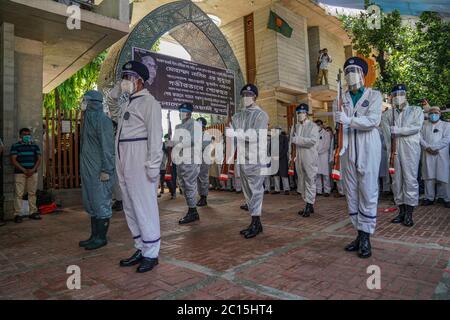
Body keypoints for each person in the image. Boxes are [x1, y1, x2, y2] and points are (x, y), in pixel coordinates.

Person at [107, 60, 163, 273]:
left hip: (140, 159)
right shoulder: (127, 103)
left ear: (140, 81)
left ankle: (151, 252)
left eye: (129, 78)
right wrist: (114, 93)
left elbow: (156, 137)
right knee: (130, 206)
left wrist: (153, 165)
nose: (125, 82)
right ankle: (140, 247)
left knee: (144, 205)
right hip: (123, 159)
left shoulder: (150, 103)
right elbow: (112, 110)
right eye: (124, 78)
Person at [334, 57, 382, 259]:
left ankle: (366, 238)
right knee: (351, 192)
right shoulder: (341, 97)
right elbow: (340, 126)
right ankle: (358, 233)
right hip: (348, 149)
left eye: (354, 70)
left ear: (363, 74)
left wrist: (349, 120)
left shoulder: (374, 95)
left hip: (367, 145)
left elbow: (373, 120)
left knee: (368, 191)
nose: (350, 74)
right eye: (347, 71)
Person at [227, 84, 269, 239]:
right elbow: (234, 131)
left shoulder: (261, 115)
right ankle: (255, 222)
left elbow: (256, 135)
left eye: (249, 94)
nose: (246, 97)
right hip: (243, 159)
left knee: (256, 192)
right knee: (248, 192)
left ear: (255, 96)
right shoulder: (240, 115)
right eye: (243, 94)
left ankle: (256, 223)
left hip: (256, 159)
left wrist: (236, 133)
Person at [78, 90, 115, 250]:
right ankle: (94, 236)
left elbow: (108, 147)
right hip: (89, 171)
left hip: (100, 171)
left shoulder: (103, 120)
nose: (82, 103)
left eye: (84, 100)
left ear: (93, 102)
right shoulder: (87, 119)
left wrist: (107, 169)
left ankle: (101, 238)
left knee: (101, 203)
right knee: (91, 203)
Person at [387, 84, 424, 227]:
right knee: (396, 181)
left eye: (400, 94)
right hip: (395, 150)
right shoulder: (390, 113)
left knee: (410, 179)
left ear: (405, 95)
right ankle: (401, 211)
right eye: (395, 95)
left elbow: (417, 127)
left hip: (410, 150)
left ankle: (409, 214)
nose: (398, 97)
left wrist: (400, 130)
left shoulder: (415, 110)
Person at [174, 103, 202, 224]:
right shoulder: (178, 126)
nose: (181, 113)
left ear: (190, 112)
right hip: (180, 160)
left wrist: (179, 142)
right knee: (183, 185)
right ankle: (191, 208)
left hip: (190, 160)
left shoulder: (195, 124)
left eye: (183, 111)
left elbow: (192, 140)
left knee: (189, 184)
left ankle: (193, 211)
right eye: (180, 111)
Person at [290, 104, 319, 217]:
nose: (300, 115)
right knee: (301, 181)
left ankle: (309, 204)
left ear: (306, 113)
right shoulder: (295, 126)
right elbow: (291, 143)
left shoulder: (313, 126)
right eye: (298, 113)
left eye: (302, 113)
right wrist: (291, 155)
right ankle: (308, 204)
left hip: (309, 157)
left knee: (310, 180)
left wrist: (298, 140)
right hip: (299, 157)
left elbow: (312, 141)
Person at [10, 128, 42, 223]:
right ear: (20, 136)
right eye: (24, 134)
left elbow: (39, 159)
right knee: (18, 194)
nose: (27, 136)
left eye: (28, 134)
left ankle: (33, 212)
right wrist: (24, 170)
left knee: (32, 193)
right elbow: (13, 159)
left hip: (33, 173)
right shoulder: (15, 146)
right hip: (20, 173)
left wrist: (32, 170)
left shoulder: (35, 146)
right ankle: (17, 214)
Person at [420, 107, 450, 207]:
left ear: (440, 114)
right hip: (427, 153)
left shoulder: (446, 125)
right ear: (428, 114)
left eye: (436, 113)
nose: (433, 115)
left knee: (444, 176)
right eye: (431, 113)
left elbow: (447, 139)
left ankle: (446, 198)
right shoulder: (423, 125)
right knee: (429, 177)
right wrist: (427, 148)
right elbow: (419, 137)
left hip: (441, 153)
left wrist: (435, 148)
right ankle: (429, 198)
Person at [316, 120, 332, 197]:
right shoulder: (313, 133)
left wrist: (319, 151)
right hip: (316, 156)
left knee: (325, 174)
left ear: (322, 125)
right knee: (317, 174)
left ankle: (327, 190)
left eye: (319, 124)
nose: (318, 126)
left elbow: (327, 145)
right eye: (316, 125)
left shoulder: (326, 133)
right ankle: (319, 190)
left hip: (324, 155)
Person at [196, 117, 210, 207]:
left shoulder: (206, 135)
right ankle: (201, 196)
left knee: (203, 178)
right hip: (197, 159)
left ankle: (204, 197)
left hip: (204, 159)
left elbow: (202, 147)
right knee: (198, 178)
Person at [273, 128, 290, 195]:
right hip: (274, 159)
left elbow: (286, 148)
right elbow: (270, 148)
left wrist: (279, 156)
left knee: (284, 174)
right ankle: (277, 189)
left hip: (282, 158)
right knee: (275, 174)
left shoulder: (284, 137)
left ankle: (286, 189)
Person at [160, 134, 176, 199]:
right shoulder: (162, 144)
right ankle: (164, 190)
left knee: (168, 179)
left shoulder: (170, 144)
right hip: (162, 164)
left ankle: (173, 192)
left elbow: (170, 153)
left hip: (167, 164)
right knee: (163, 179)